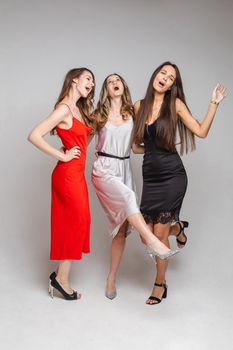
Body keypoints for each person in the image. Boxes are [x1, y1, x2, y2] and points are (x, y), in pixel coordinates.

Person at [133, 61, 227, 305]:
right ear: (155, 75)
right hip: (150, 178)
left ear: (173, 85)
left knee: (159, 235)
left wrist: (213, 103)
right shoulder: (139, 107)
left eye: (171, 77)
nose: (165, 78)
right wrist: (153, 149)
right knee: (146, 236)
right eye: (163, 72)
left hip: (173, 176)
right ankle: (177, 229)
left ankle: (159, 284)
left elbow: (201, 131)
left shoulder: (174, 105)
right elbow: (135, 146)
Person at [91, 73, 179, 300]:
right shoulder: (98, 115)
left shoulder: (132, 112)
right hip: (105, 168)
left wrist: (161, 149)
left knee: (121, 230)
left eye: (117, 79)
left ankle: (111, 276)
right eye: (109, 82)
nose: (114, 83)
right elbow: (81, 137)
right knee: (130, 199)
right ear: (106, 90)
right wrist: (66, 150)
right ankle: (153, 242)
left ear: (124, 85)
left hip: (125, 168)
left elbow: (138, 146)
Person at [28, 68, 95, 300]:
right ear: (74, 79)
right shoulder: (64, 109)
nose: (92, 83)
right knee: (75, 223)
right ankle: (61, 281)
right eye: (88, 78)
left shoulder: (78, 109)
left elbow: (78, 137)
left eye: (93, 81)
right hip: (67, 175)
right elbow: (34, 135)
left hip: (77, 175)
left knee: (79, 222)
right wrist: (62, 156)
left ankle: (59, 276)